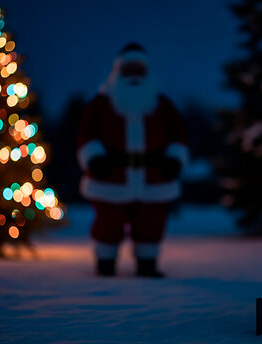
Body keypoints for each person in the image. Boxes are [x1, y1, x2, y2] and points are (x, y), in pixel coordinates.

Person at [76, 43, 188, 277]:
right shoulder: (100, 105)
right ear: (118, 72)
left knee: (152, 223)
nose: (134, 75)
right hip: (111, 178)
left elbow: (178, 134)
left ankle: (148, 263)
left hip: (154, 179)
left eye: (139, 69)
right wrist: (94, 157)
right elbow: (87, 133)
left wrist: (175, 158)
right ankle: (105, 263)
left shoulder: (162, 105)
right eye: (129, 69)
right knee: (108, 223)